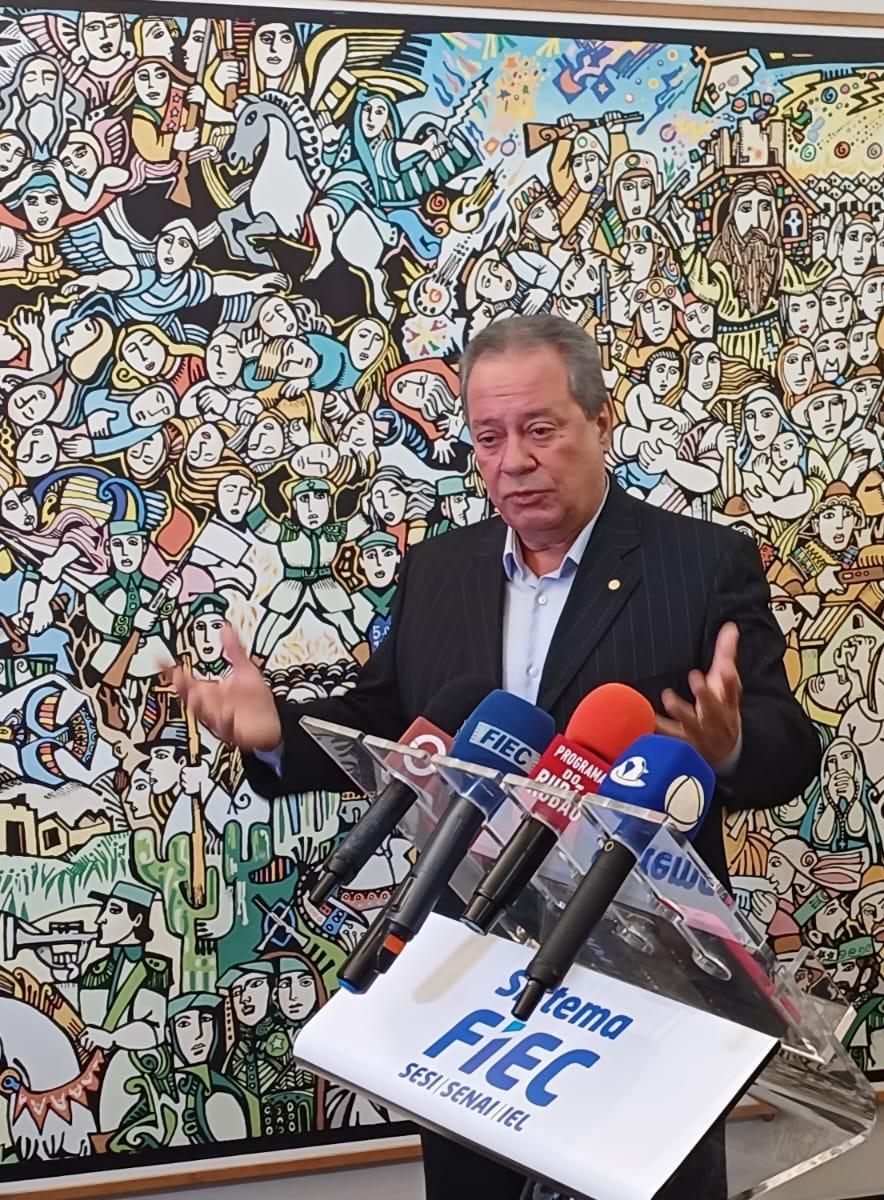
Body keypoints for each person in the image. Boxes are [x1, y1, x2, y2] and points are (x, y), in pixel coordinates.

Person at [166, 313, 819, 1200]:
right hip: (465, 969)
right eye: (489, 437)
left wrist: (727, 746)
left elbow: (789, 750)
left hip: (639, 980)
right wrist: (278, 730)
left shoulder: (700, 565)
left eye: (540, 430)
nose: (513, 461)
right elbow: (397, 724)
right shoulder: (439, 570)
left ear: (601, 423)